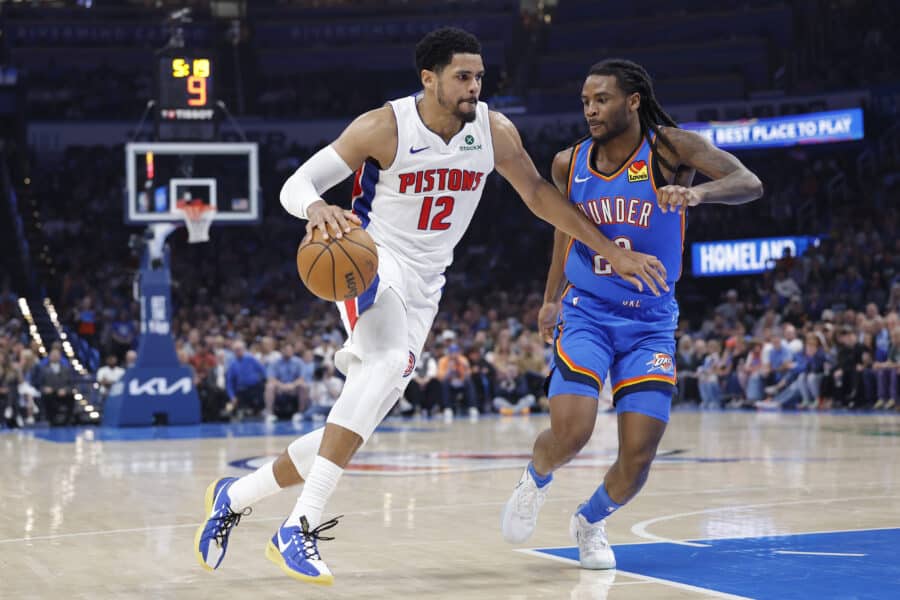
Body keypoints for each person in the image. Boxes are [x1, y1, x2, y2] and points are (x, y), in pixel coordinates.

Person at [195, 29, 668, 585]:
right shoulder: (386, 125)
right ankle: (298, 526)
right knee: (387, 363)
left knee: (360, 416)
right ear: (429, 79)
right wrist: (318, 208)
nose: (475, 87)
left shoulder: (493, 130)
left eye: (479, 77)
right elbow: (295, 184)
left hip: (427, 284)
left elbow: (540, 196)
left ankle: (235, 495)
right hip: (371, 263)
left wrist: (608, 247)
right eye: (463, 77)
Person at [499, 58, 762, 569]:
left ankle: (590, 520)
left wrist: (697, 192)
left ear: (633, 101)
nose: (591, 110)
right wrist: (551, 296)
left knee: (639, 454)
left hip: (651, 323)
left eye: (601, 100)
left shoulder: (670, 149)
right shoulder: (566, 162)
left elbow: (748, 181)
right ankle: (535, 478)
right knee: (572, 432)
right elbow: (564, 228)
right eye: (585, 102)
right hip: (588, 311)